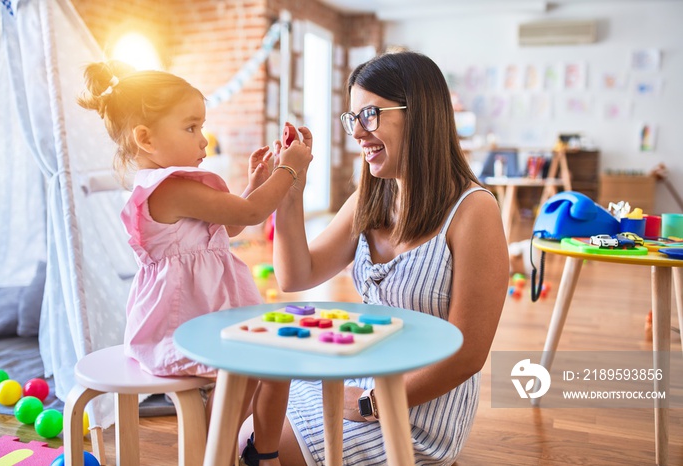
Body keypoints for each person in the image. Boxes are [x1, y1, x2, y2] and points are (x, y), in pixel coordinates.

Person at [271, 51, 509, 464]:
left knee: (268, 445)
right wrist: (290, 195)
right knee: (251, 412)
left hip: (418, 409)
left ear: (419, 114)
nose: (358, 133)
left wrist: (369, 402)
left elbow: (469, 353)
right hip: (361, 377)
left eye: (370, 115)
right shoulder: (371, 196)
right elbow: (296, 274)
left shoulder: (474, 210)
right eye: (353, 119)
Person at [78, 60, 312, 466]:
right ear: (146, 138)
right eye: (191, 128)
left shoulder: (181, 187)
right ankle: (215, 453)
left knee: (271, 366)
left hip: (208, 315)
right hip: (178, 325)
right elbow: (253, 213)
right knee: (244, 369)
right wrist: (290, 168)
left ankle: (255, 451)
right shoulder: (167, 189)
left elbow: (233, 226)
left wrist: (258, 181)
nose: (203, 140)